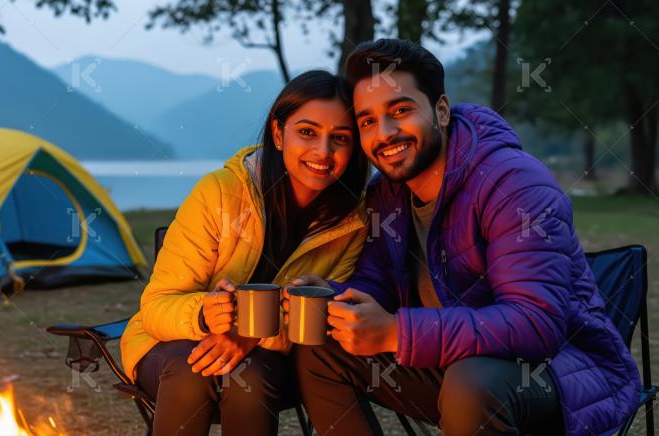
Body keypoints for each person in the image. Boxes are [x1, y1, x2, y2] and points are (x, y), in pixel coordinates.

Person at [286, 39, 641, 436]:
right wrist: (334, 299)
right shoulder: (386, 194)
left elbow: (537, 324)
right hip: (451, 364)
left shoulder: (513, 183)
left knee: (470, 383)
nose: (384, 134)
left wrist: (396, 332)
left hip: (556, 374)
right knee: (319, 347)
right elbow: (376, 284)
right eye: (367, 121)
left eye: (400, 110)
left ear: (440, 110)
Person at [120, 70, 370, 436]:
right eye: (307, 132)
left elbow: (321, 322)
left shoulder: (352, 222)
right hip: (170, 345)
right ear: (278, 134)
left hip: (274, 358)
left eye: (341, 139)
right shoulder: (219, 194)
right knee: (192, 373)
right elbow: (156, 306)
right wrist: (206, 315)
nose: (322, 151)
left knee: (248, 379)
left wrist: (251, 333)